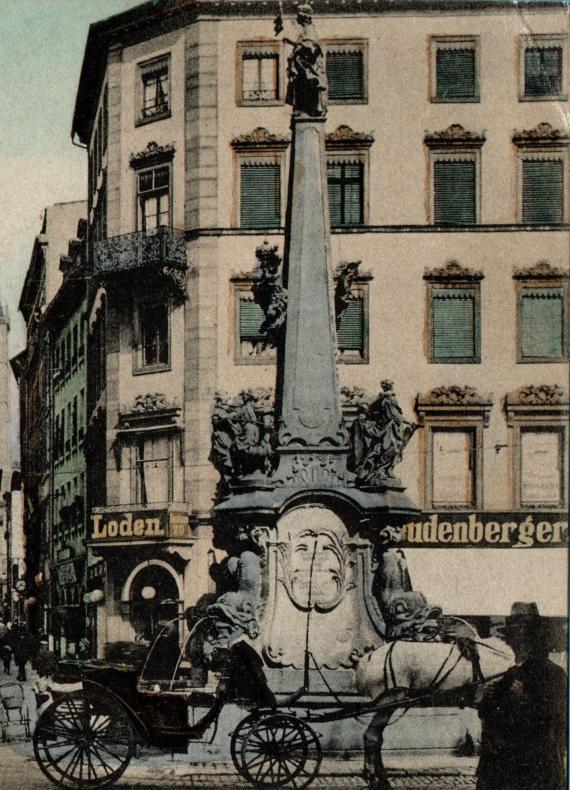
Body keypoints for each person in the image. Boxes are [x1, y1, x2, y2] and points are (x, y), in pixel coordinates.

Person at [476, 602, 567, 790]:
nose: (513, 644)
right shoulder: (511, 673)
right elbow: (487, 714)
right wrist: (486, 698)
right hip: (504, 767)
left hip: (536, 768)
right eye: (511, 638)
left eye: (518, 638)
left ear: (533, 640)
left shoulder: (553, 674)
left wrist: (524, 700)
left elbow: (557, 719)